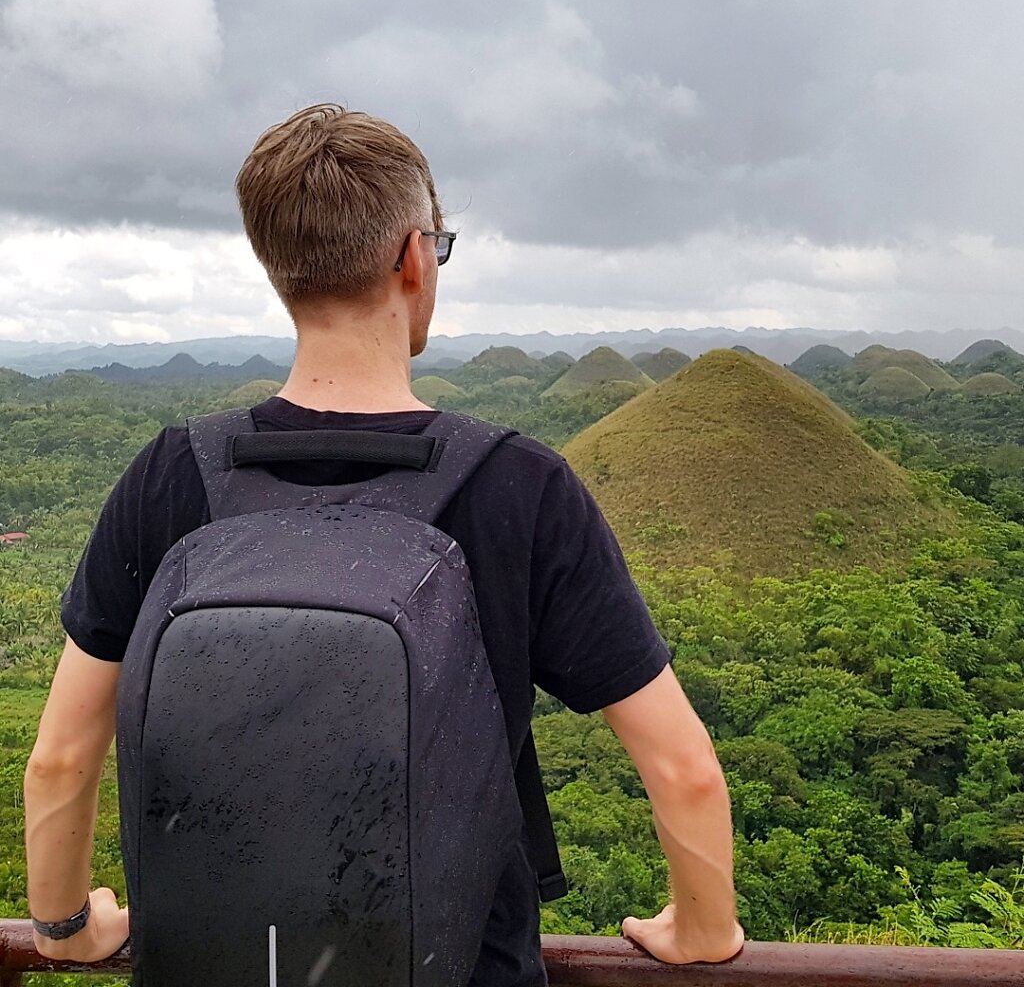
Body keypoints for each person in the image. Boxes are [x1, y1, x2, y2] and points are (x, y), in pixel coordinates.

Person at [24, 104, 744, 983]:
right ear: (412, 256)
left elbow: (61, 754)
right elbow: (684, 769)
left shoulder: (173, 473)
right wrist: (702, 931)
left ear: (274, 265)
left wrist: (65, 929)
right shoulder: (520, 486)